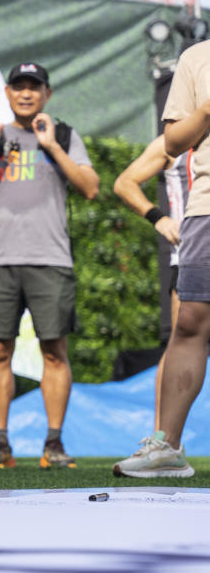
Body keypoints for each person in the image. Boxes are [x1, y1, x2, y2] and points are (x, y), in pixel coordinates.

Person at [0, 62, 99, 469]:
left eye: (34, 87)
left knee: (55, 351)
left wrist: (52, 146)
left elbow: (91, 188)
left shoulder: (64, 135)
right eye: (18, 87)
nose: (26, 94)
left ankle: (53, 445)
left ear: (47, 94)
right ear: (7, 93)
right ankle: (0, 445)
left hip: (50, 259)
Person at [112, 40, 210, 478]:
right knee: (189, 323)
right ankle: (166, 446)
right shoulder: (196, 57)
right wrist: (159, 218)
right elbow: (169, 141)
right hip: (204, 211)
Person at [112, 135, 187, 445]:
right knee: (180, 347)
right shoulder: (175, 141)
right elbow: (124, 183)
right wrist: (159, 218)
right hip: (191, 256)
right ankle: (163, 441)